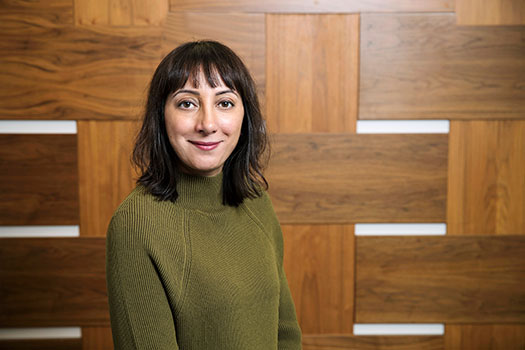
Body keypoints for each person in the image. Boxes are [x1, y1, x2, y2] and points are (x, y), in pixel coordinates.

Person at [106, 40, 302, 349]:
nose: (207, 124)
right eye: (187, 103)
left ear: (244, 117)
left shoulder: (256, 200)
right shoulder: (135, 224)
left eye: (224, 103)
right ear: (161, 116)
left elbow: (286, 332)